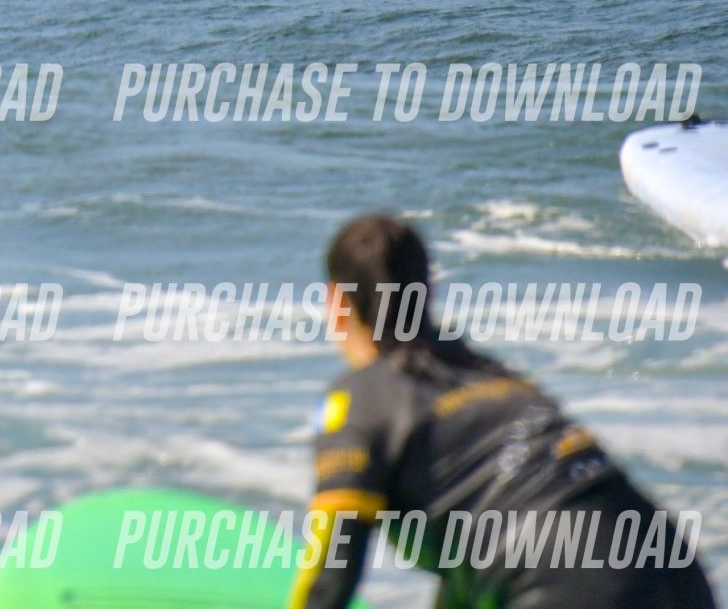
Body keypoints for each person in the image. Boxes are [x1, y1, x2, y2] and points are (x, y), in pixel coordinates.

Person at [292, 213, 714, 609]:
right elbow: (479, 556)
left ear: (336, 301)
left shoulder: (361, 396)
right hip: (678, 575)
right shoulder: (490, 374)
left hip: (565, 583)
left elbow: (333, 568)